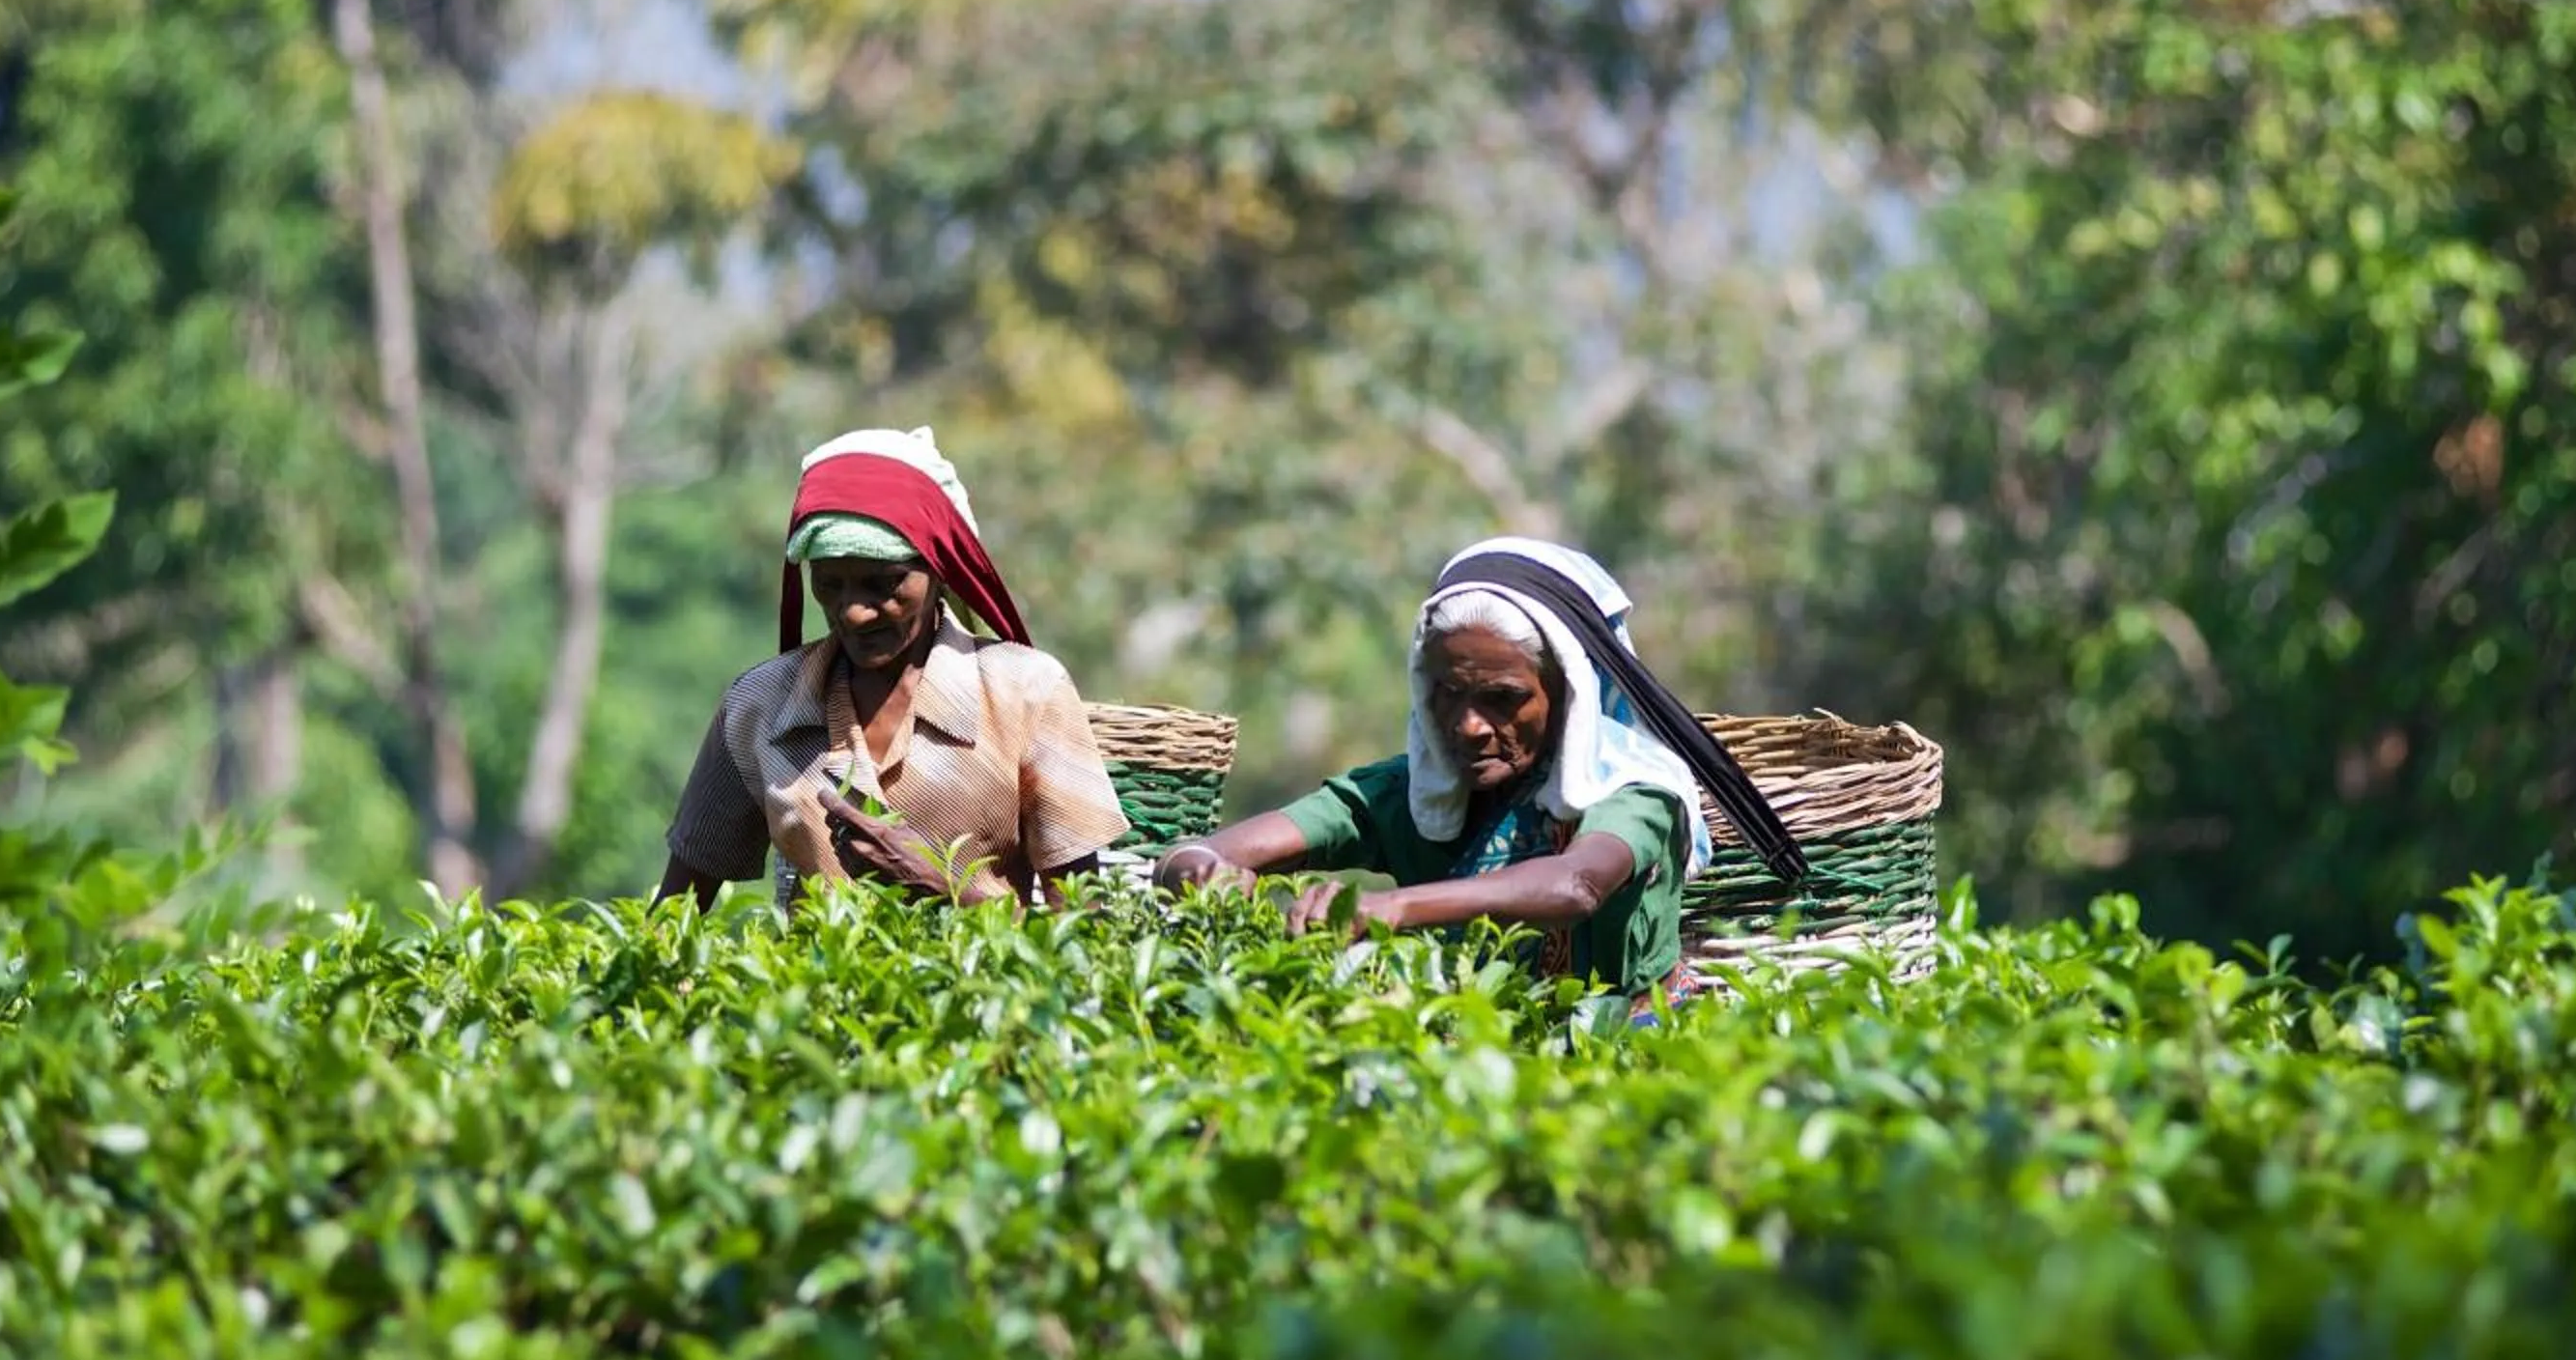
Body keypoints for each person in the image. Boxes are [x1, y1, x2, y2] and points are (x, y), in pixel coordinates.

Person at [1154, 538, 1808, 1019]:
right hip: (1469, 1056)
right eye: (1447, 696)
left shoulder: (1633, 790)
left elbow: (1575, 884)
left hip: (1626, 1048)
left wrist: (1393, 907)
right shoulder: (1408, 792)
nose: (1468, 726)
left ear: (1566, 690)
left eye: (1502, 698)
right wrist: (1200, 872)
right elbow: (1208, 853)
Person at [656, 426, 1130, 913]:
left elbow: (1082, 929)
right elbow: (674, 916)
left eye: (883, 583)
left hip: (983, 983)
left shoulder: (1026, 693)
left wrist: (939, 888)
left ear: (941, 569)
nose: (854, 611)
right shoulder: (760, 705)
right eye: (831, 584)